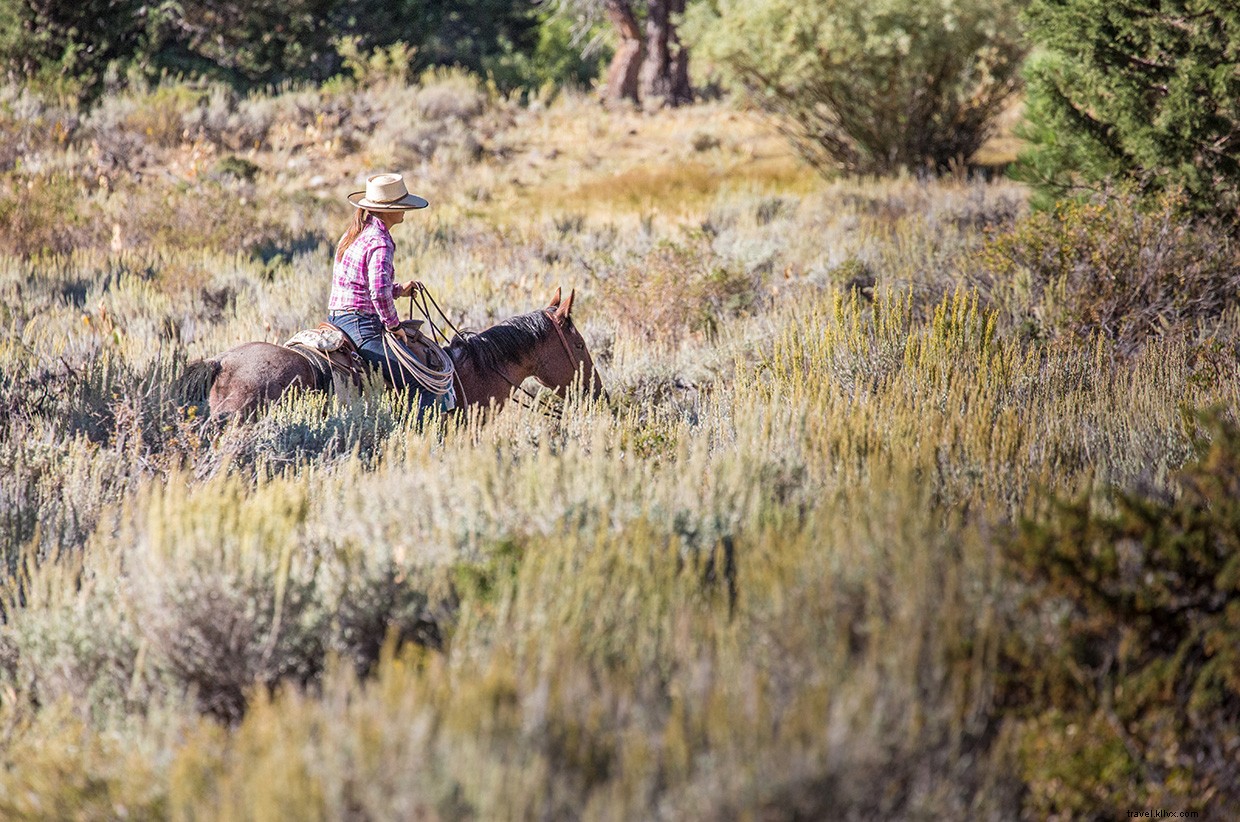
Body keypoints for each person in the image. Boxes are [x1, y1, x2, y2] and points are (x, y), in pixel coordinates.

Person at [327, 173, 452, 411]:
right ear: (387, 210)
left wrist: (399, 290)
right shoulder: (380, 241)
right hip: (362, 326)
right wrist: (394, 326)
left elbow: (359, 283)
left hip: (337, 320)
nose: (405, 210)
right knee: (423, 382)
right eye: (400, 205)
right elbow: (379, 294)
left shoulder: (354, 233)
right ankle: (415, 443)